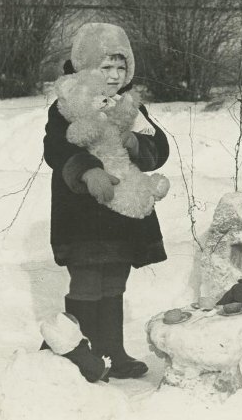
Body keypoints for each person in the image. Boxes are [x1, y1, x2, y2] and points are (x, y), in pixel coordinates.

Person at [43, 23, 170, 379]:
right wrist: (86, 171)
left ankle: (112, 351)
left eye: (120, 67)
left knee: (115, 281)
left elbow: (158, 149)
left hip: (122, 215)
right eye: (105, 67)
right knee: (87, 281)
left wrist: (135, 144)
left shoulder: (129, 106)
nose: (115, 76)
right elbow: (57, 147)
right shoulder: (69, 103)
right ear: (85, 66)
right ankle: (79, 352)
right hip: (82, 214)